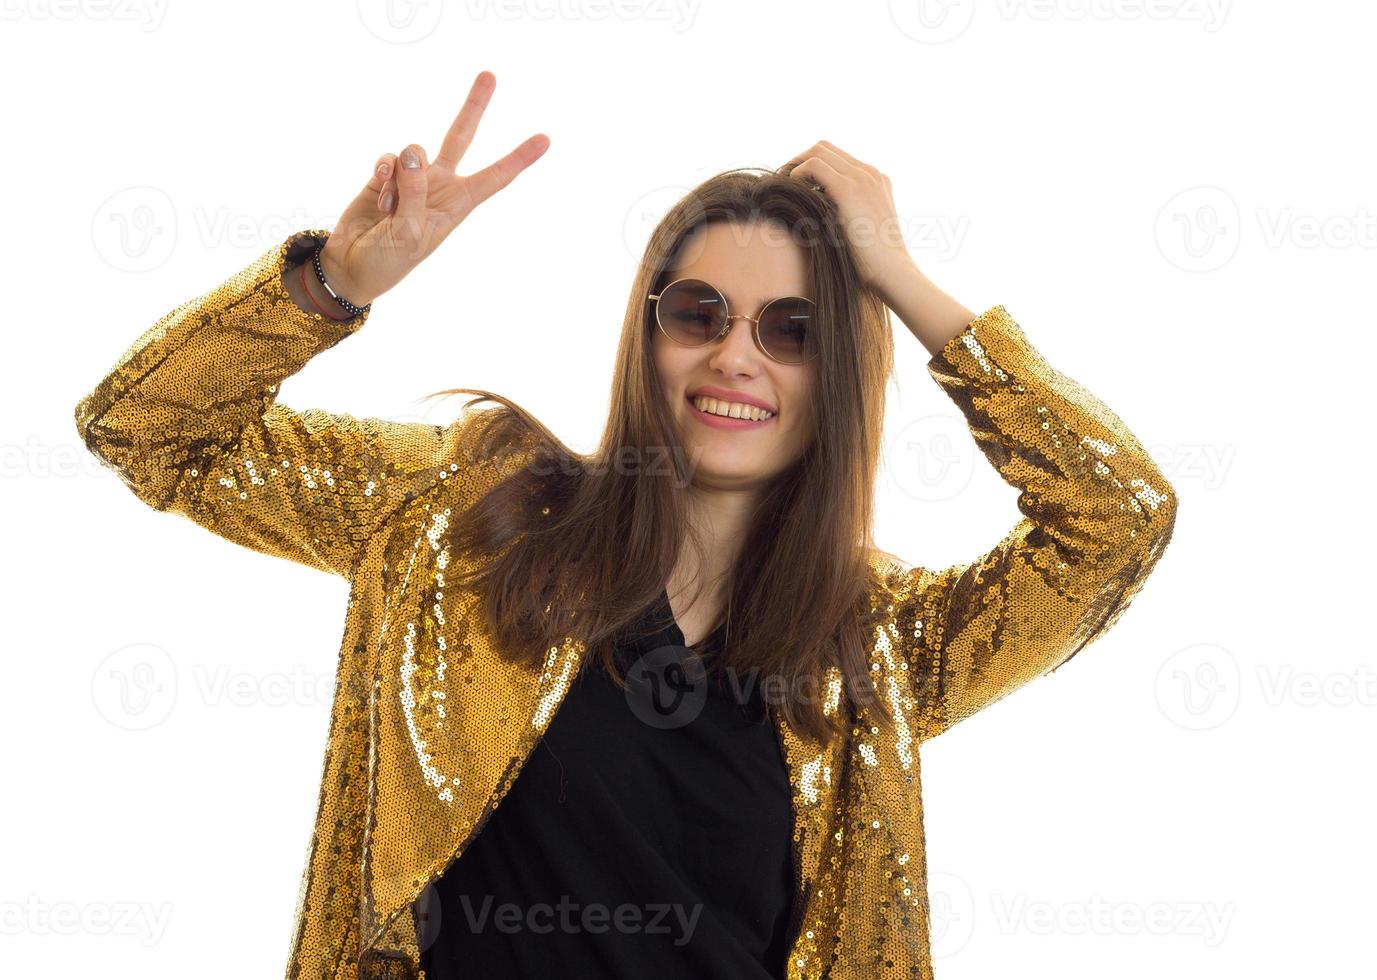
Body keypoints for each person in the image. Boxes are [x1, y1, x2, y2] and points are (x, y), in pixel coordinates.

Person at [74, 70, 1178, 980]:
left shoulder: (870, 646)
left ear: (837, 373)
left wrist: (895, 271)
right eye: (700, 313)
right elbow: (149, 431)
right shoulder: (470, 515)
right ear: (648, 335)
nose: (736, 355)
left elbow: (1117, 520)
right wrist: (330, 284)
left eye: (792, 330)